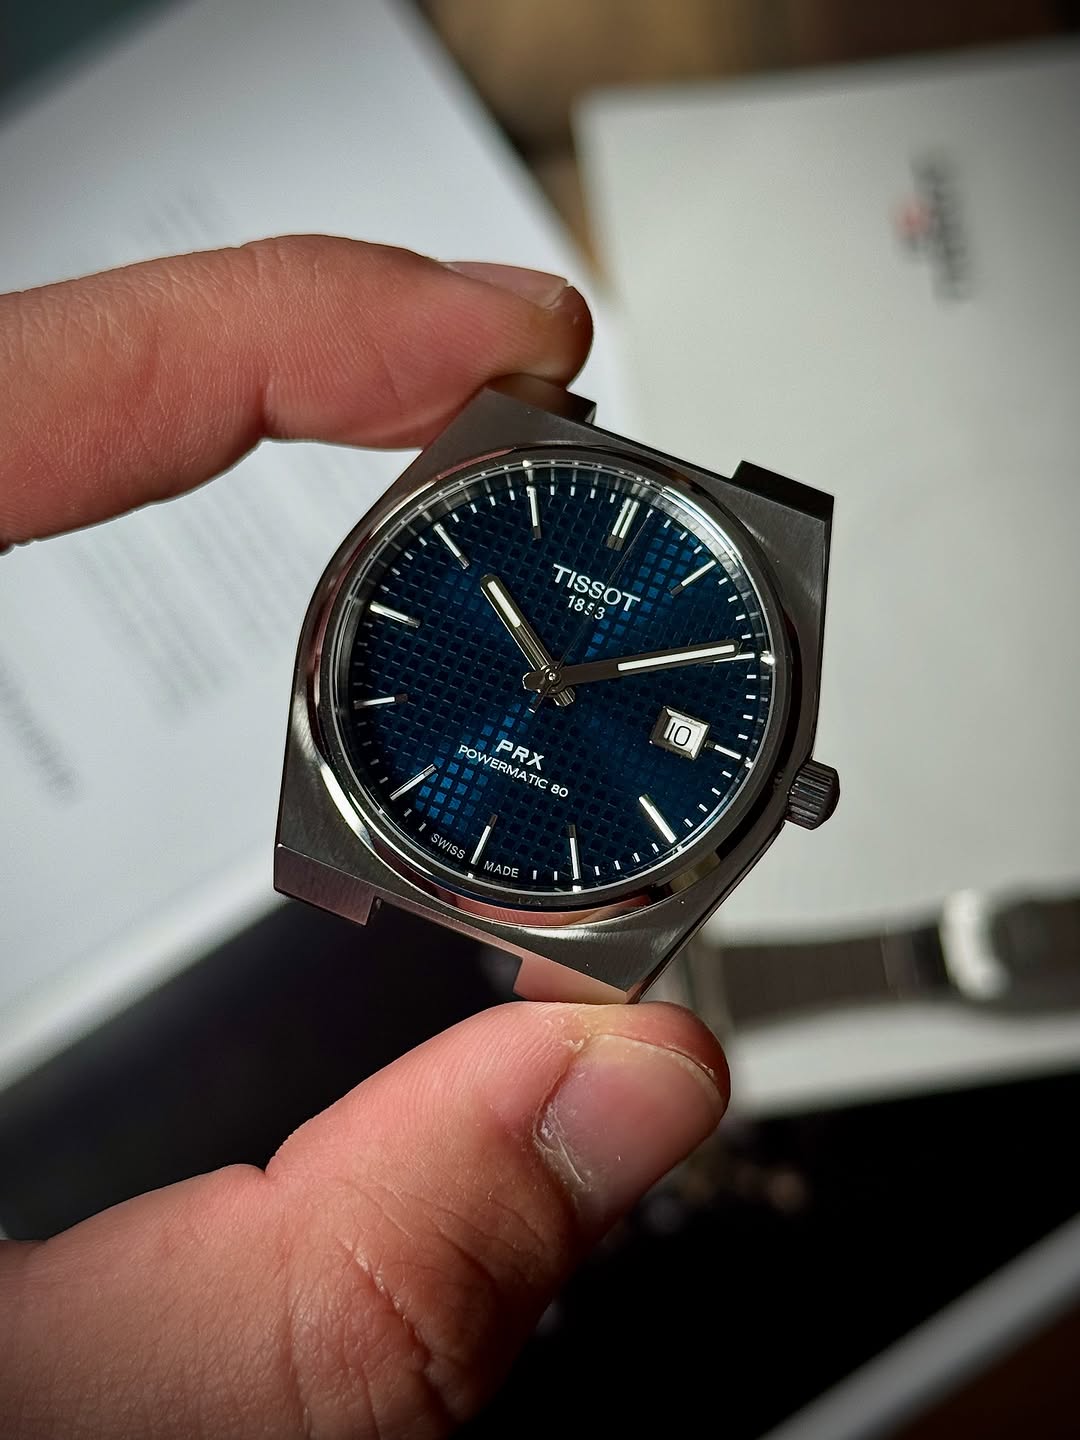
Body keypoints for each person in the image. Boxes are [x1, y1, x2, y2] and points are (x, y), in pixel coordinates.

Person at [0, 236, 729, 1438]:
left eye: (561, 681)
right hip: (414, 794)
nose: (551, 689)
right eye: (543, 673)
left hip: (567, 856)